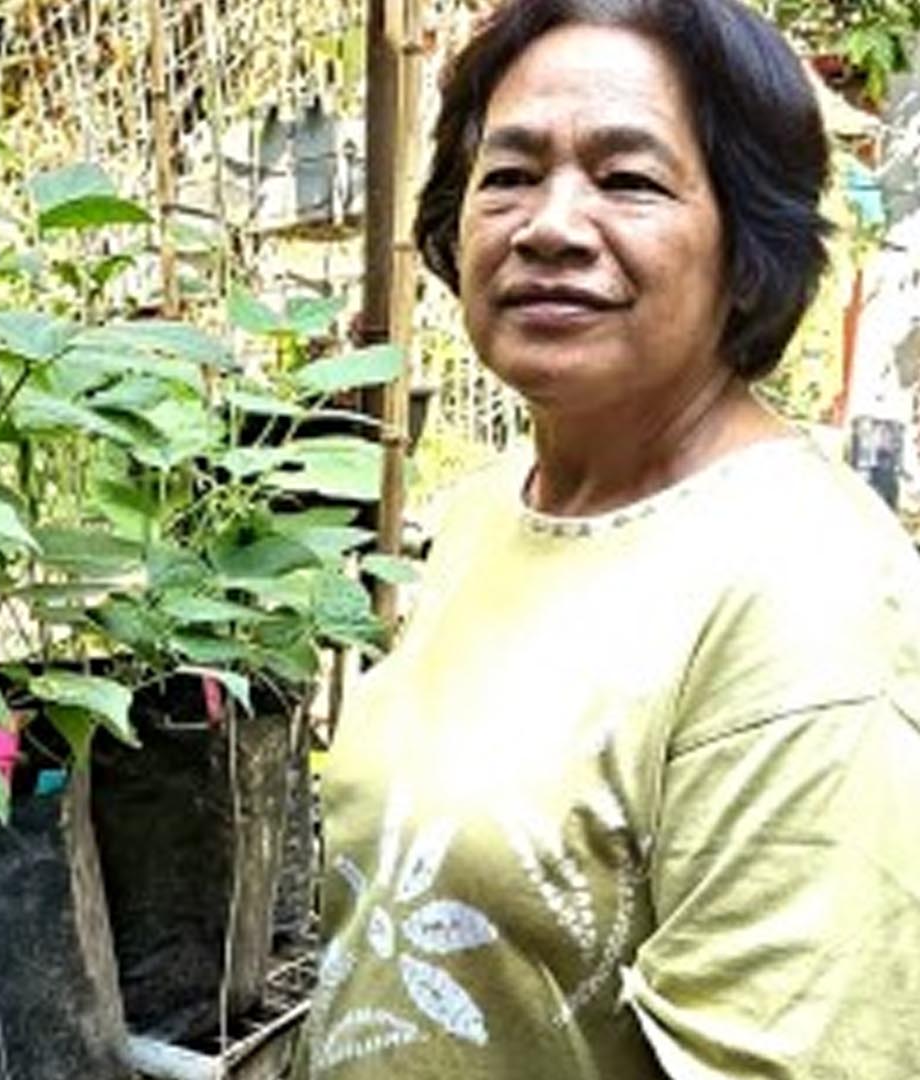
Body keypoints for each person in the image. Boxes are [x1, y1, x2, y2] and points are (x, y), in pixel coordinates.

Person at [303, 0, 920, 1076]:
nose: (549, 225)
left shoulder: (808, 595)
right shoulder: (491, 510)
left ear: (747, 244)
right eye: (509, 174)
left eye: (628, 179)